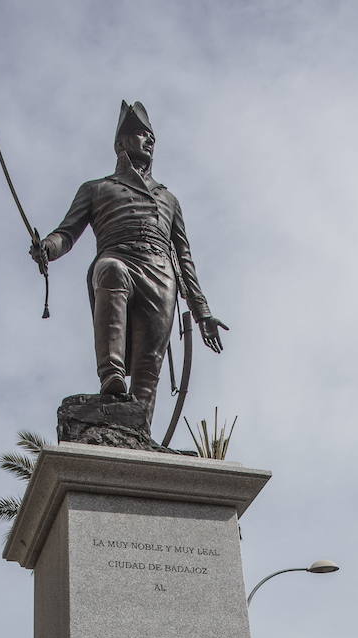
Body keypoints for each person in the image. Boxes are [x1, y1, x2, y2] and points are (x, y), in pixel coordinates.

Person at [31, 101, 227, 424]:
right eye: (140, 134)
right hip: (118, 256)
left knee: (148, 372)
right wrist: (47, 248)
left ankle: (139, 434)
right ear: (121, 143)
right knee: (110, 270)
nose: (149, 141)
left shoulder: (168, 199)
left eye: (152, 136)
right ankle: (111, 374)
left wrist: (202, 311)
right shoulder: (97, 188)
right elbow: (66, 233)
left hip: (161, 275)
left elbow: (185, 257)